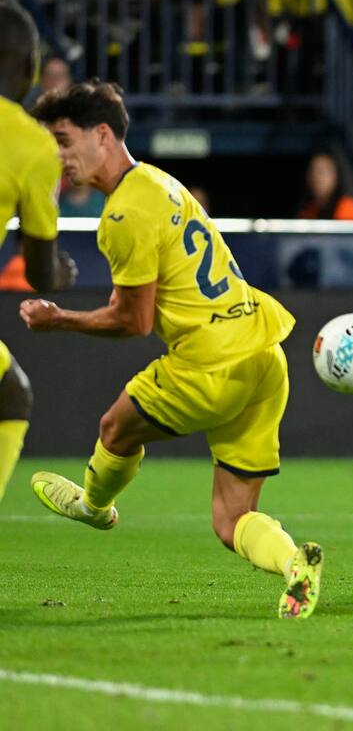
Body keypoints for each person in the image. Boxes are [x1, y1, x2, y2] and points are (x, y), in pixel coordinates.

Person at [26, 80, 324, 619]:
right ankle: (293, 566)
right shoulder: (160, 182)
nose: (59, 157)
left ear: (102, 134)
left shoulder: (121, 216)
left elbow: (133, 321)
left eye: (65, 141)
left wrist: (59, 318)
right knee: (231, 521)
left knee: (114, 429)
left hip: (208, 364)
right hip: (263, 352)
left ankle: (95, 507)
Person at [0, 0, 77, 501]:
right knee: (9, 398)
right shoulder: (32, 145)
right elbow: (41, 272)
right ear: (30, 67)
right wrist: (64, 275)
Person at [296, 151, 353, 220]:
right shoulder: (307, 211)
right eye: (312, 171)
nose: (317, 177)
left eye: (322, 172)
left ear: (336, 176)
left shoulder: (351, 210)